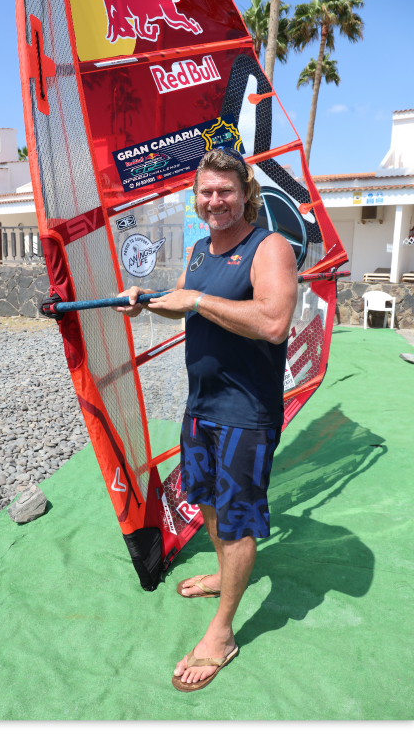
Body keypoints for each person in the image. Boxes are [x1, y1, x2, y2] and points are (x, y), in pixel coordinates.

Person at [114, 147, 297, 693]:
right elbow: (183, 300)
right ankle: (224, 574)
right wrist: (146, 301)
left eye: (225, 191)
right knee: (211, 502)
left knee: (238, 519)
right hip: (203, 407)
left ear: (246, 195)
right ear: (196, 199)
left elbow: (272, 321)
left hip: (247, 412)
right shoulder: (199, 250)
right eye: (206, 192)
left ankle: (223, 633)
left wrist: (195, 299)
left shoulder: (270, 247)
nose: (215, 201)